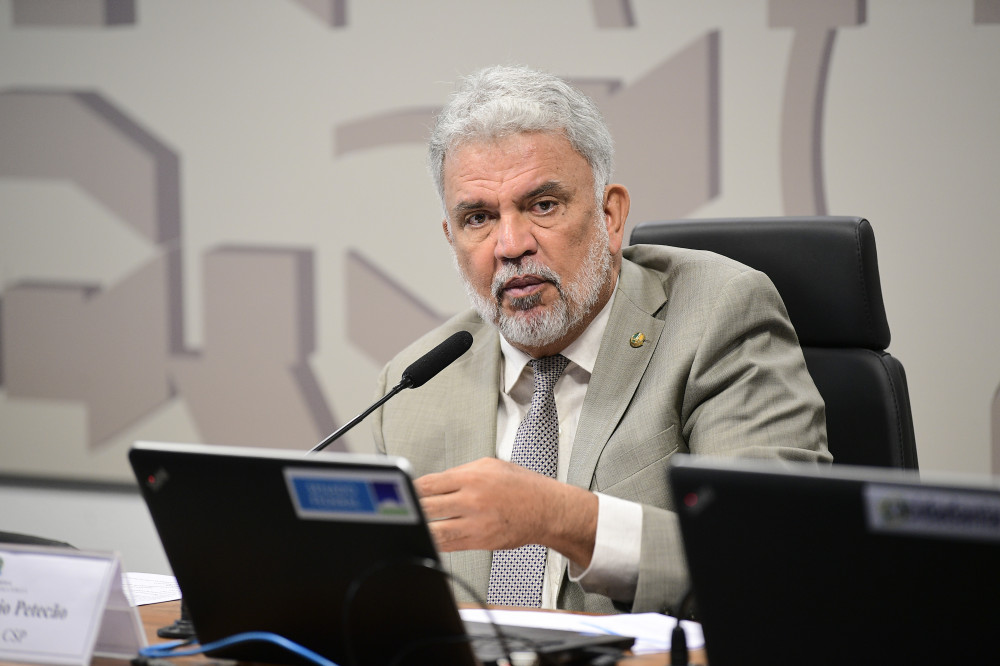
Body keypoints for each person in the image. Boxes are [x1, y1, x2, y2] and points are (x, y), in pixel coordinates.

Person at [371, 64, 830, 615]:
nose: (511, 244)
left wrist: (559, 518)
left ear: (610, 215)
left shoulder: (717, 314)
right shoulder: (413, 389)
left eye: (542, 205)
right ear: (453, 238)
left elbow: (778, 555)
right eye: (478, 218)